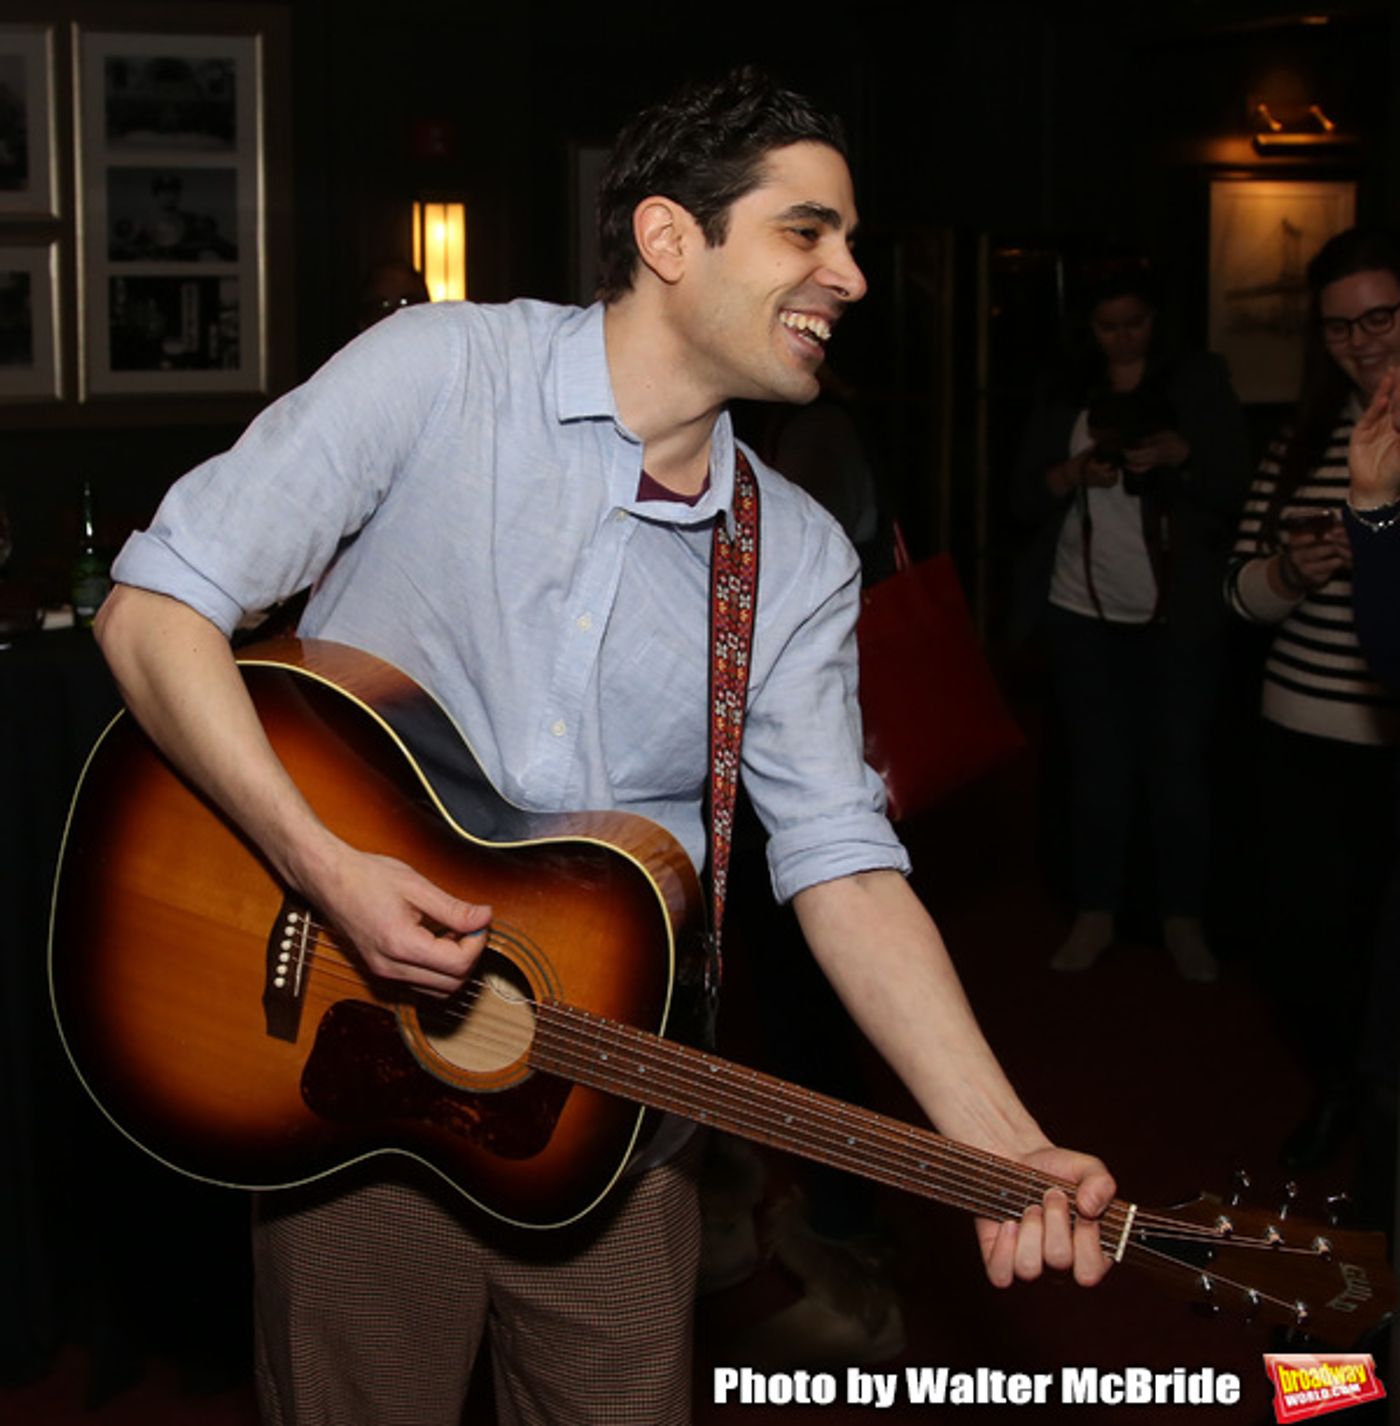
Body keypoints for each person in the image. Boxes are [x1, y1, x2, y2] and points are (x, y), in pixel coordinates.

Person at [93, 68, 1113, 1426]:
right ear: (669, 238)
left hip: (619, 1118)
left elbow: (843, 863)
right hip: (348, 1074)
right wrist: (323, 864)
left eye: (852, 240)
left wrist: (1006, 1143)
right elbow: (156, 607)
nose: (853, 276)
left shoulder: (795, 553)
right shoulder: (443, 375)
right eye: (809, 232)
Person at [1010, 266, 1249, 980]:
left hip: (1177, 614)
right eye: (1107, 326)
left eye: (1133, 324)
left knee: (1178, 770)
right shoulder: (1063, 391)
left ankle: (1183, 919)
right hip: (1080, 611)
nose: (1121, 338)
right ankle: (1094, 913)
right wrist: (1071, 474)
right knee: (1095, 771)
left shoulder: (1197, 381)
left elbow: (1239, 483)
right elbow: (1022, 497)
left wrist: (1182, 455)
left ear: (1155, 321)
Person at [1225, 227, 1400, 1172]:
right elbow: (1235, 593)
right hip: (1299, 732)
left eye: (1381, 316)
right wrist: (1290, 571)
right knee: (1298, 956)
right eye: (1339, 328)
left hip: (1390, 748)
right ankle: (1341, 1092)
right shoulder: (1304, 439)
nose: (1362, 340)